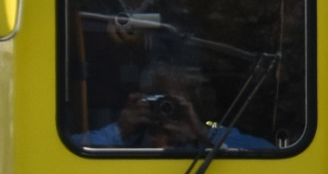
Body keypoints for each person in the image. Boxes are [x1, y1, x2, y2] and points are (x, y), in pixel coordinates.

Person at [75, 0, 195, 133]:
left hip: (164, 107)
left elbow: (188, 60)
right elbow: (79, 59)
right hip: (104, 106)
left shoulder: (176, 12)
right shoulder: (91, 9)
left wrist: (146, 44)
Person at [77, 63, 273, 151]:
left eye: (173, 102)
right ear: (145, 99)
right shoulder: (131, 136)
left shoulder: (204, 136)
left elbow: (270, 154)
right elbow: (64, 152)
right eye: (159, 99)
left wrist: (204, 134)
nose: (166, 108)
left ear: (190, 103)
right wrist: (119, 130)